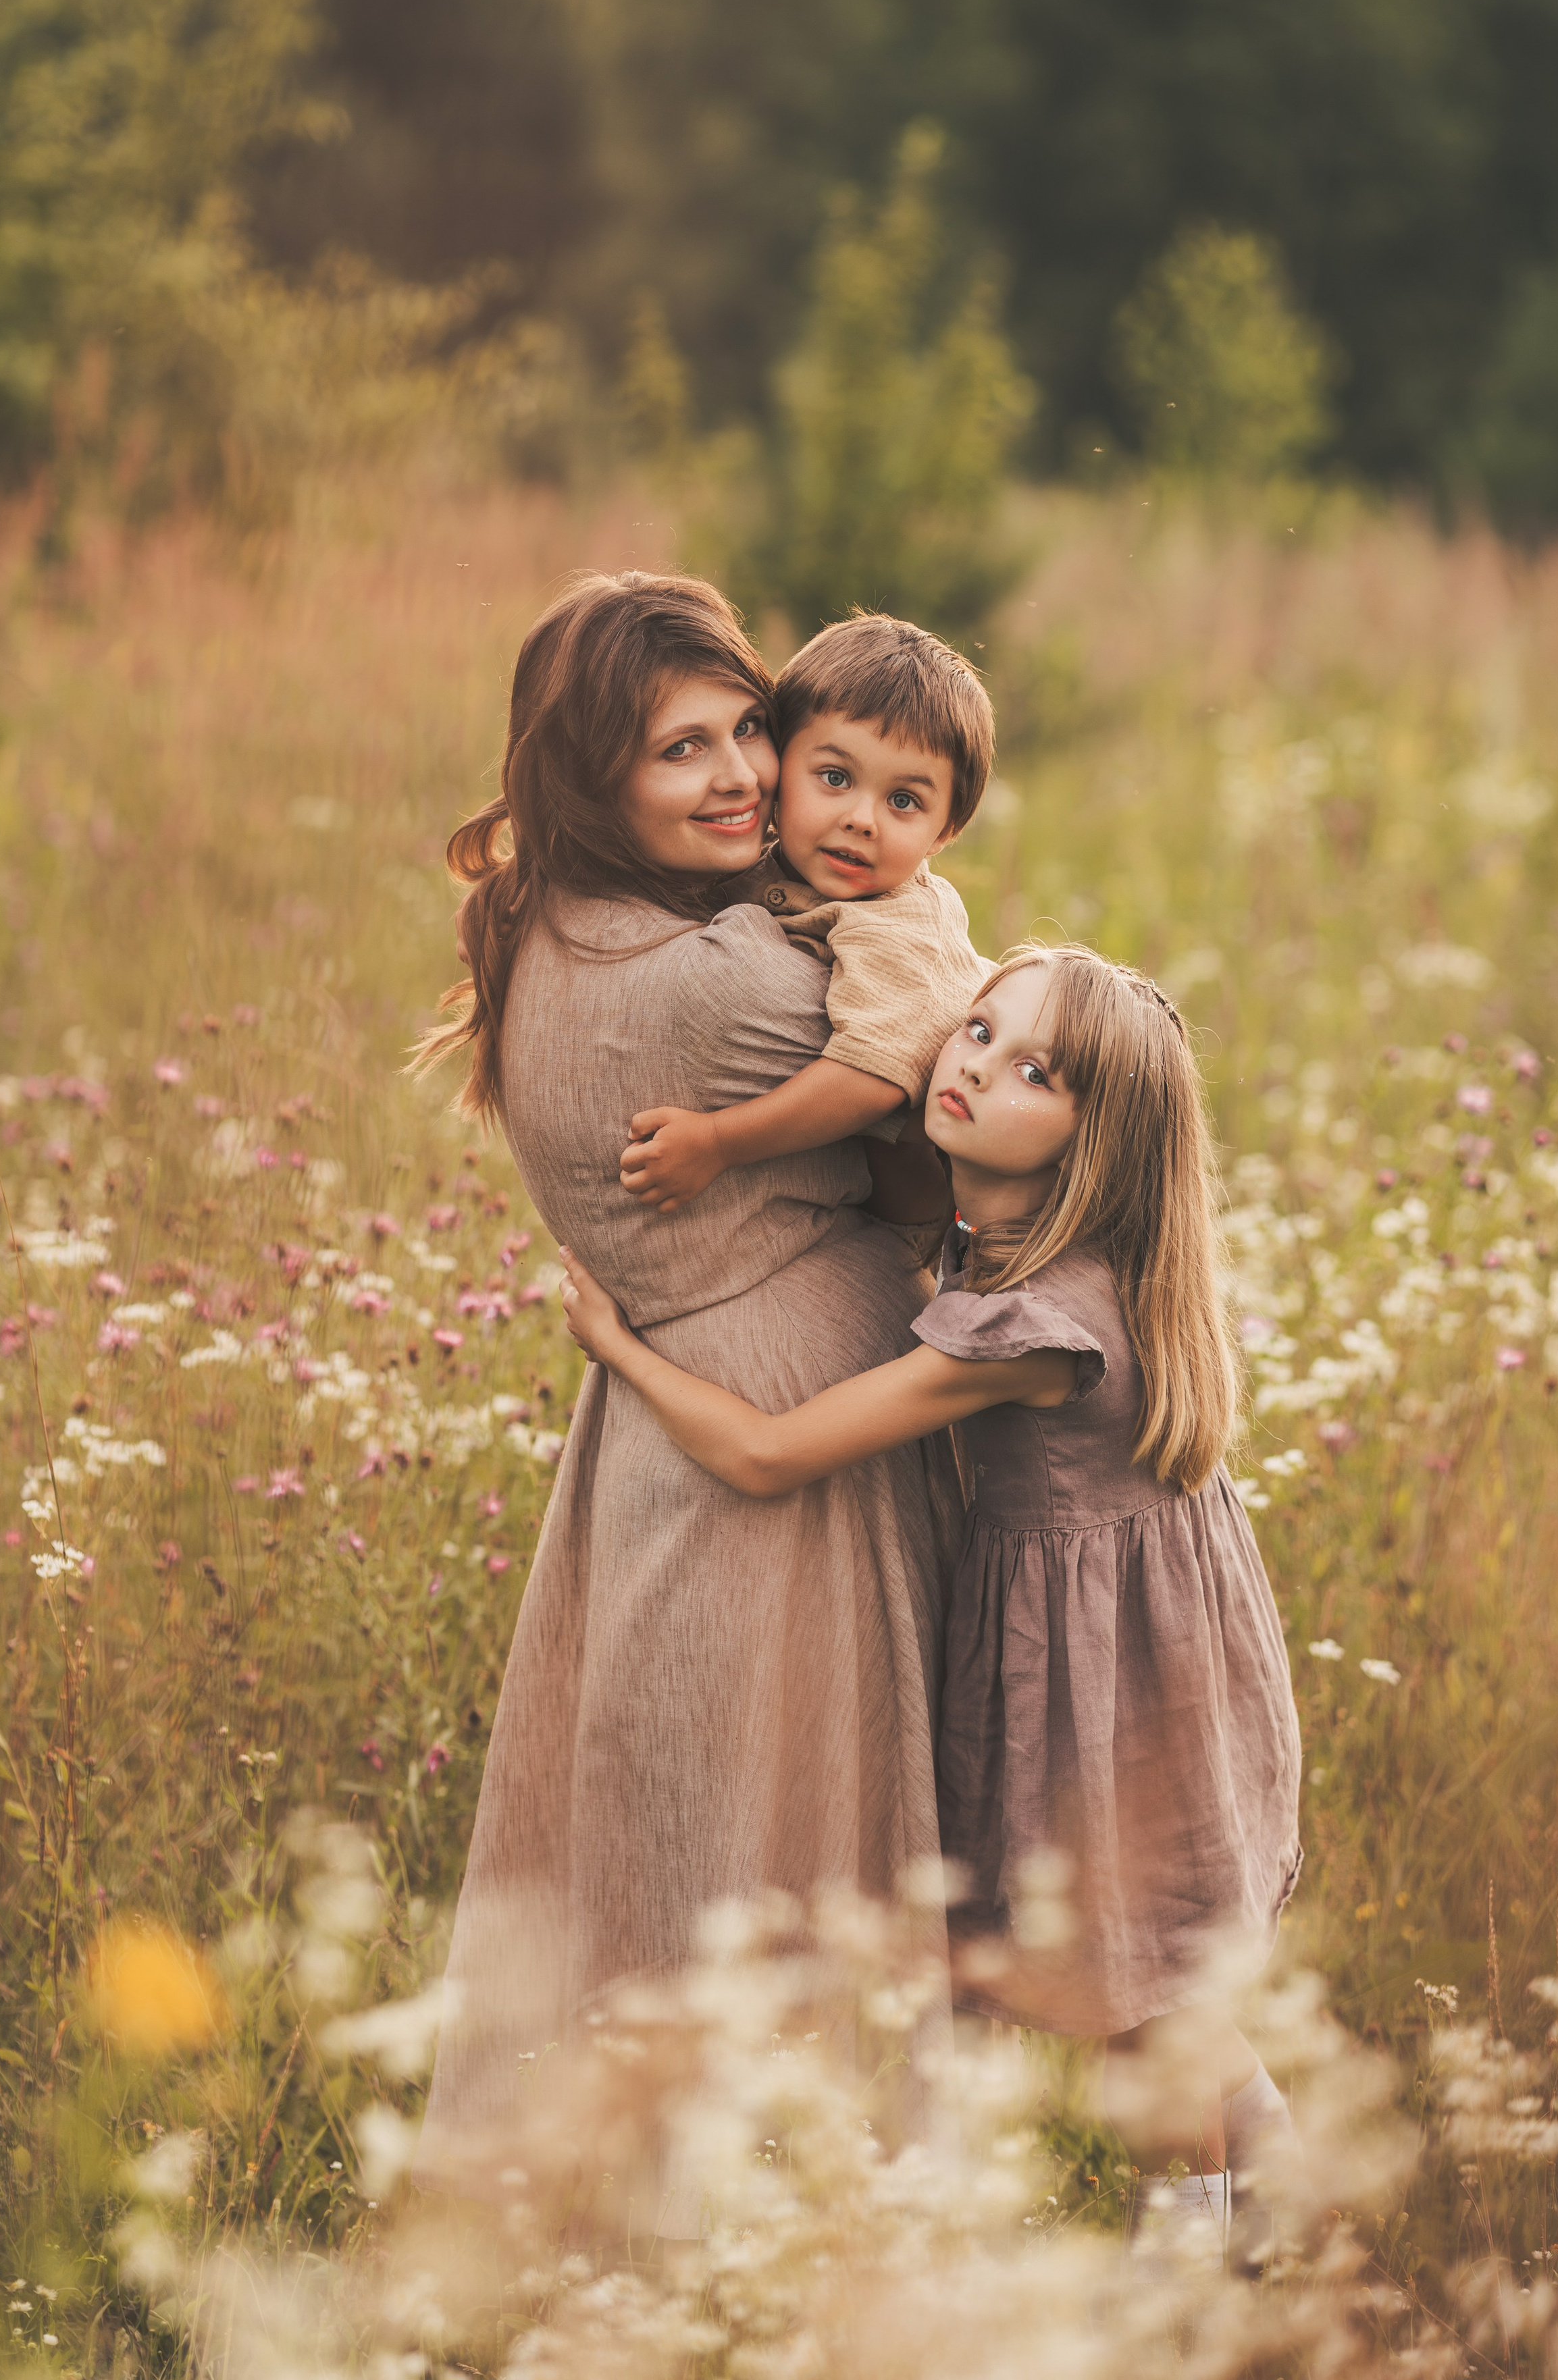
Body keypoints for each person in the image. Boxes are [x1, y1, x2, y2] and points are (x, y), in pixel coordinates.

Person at [558, 943, 1304, 2245]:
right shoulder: (1024, 1257)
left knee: (1144, 1997)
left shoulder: (1032, 1329)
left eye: (1034, 1071)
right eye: (975, 1030)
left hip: (1112, 1684)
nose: (970, 1068)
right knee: (1148, 1977)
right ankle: (1267, 2182)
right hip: (1141, 1642)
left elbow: (769, 1452)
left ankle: (1197, 2257)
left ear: (1098, 1140)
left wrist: (619, 1344)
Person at [411, 571, 962, 2166]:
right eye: (678, 751)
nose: (738, 778)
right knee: (790, 1871)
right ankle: (794, 2256)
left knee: (662, 1870)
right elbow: (937, 1038)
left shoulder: (537, 928)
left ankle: (645, 2249)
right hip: (777, 1464)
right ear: (593, 776)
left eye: (747, 730)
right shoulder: (736, 981)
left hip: (661, 1438)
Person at [619, 614, 992, 1215]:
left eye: (904, 801)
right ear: (777, 764)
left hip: (923, 1220)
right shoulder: (764, 861)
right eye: (835, 777)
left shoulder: (904, 926)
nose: (862, 818)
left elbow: (873, 1078)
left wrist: (718, 1142)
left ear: (945, 830)